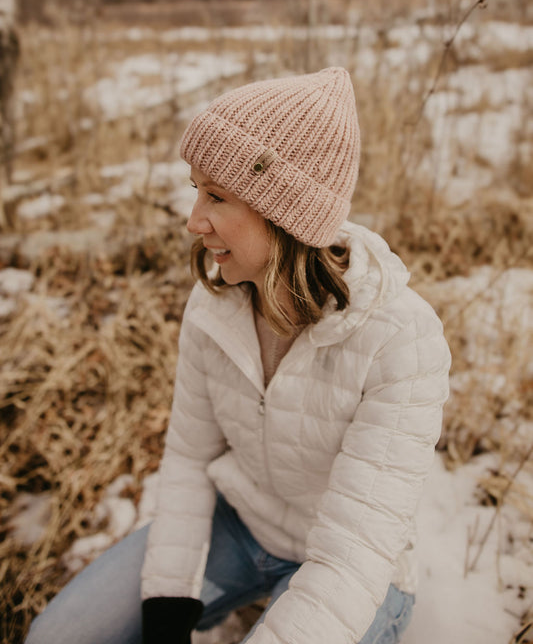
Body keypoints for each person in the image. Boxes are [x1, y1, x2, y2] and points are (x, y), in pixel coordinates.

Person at [26, 67, 450, 644]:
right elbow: (187, 458)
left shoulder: (400, 339)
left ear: (285, 217)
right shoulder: (213, 309)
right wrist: (168, 606)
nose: (193, 219)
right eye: (195, 188)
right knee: (59, 636)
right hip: (241, 522)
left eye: (216, 196)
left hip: (355, 569)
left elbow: (355, 555)